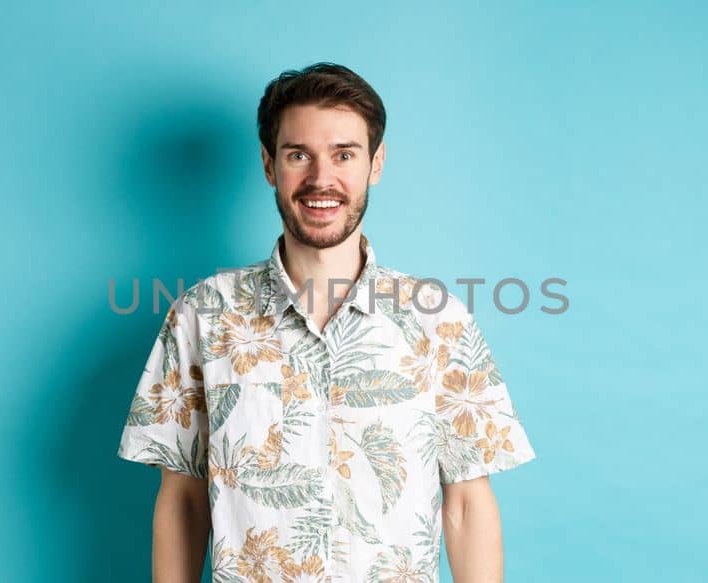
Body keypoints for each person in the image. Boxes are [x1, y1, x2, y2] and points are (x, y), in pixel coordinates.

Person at [117, 62, 536, 582]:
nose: (322, 179)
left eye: (344, 154)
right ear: (269, 166)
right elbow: (182, 500)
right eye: (299, 155)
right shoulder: (200, 317)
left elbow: (468, 503)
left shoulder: (439, 321)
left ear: (375, 163)